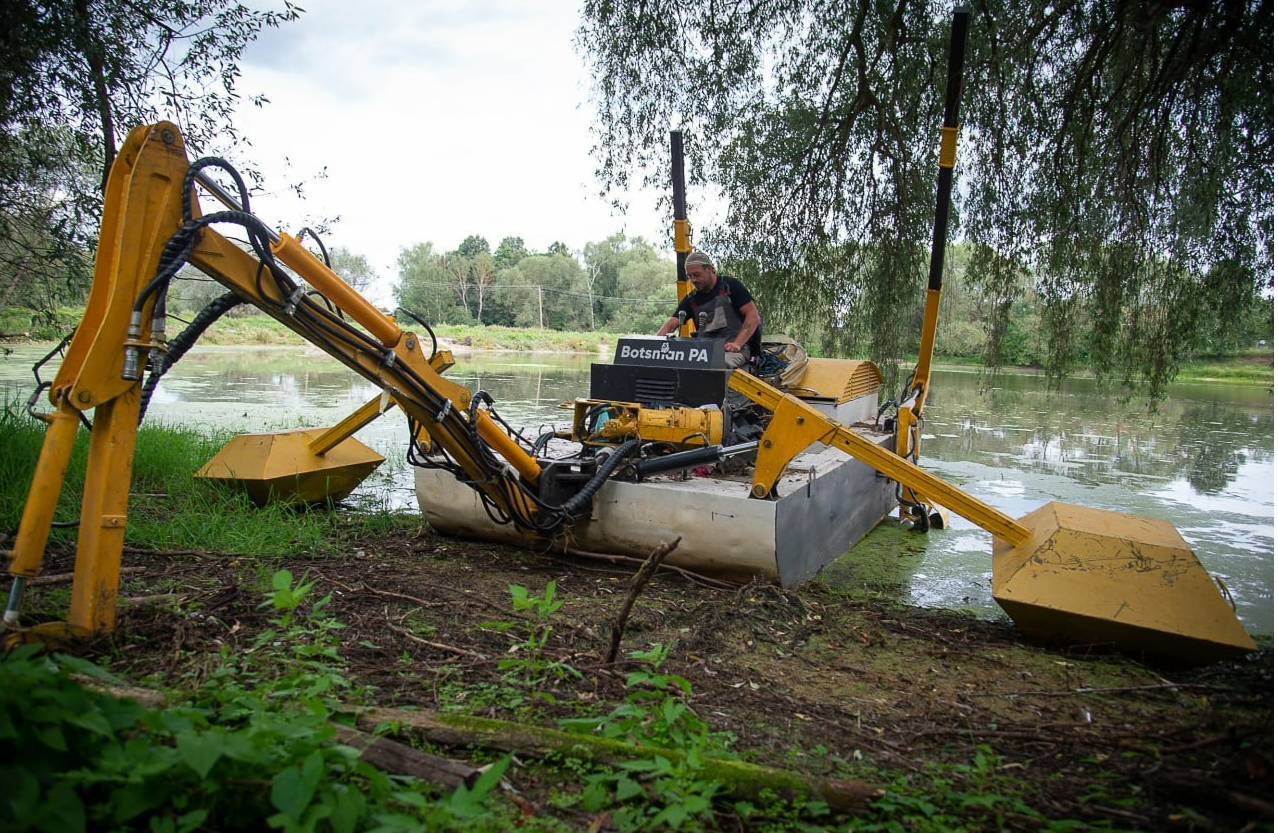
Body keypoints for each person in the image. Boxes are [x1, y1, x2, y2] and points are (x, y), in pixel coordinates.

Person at [656, 250, 762, 369]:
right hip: (703, 354)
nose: (693, 280)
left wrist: (737, 343)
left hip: (735, 351)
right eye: (690, 276)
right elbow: (671, 324)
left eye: (697, 274)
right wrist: (652, 347)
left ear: (709, 269)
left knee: (717, 365)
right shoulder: (691, 299)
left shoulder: (730, 286)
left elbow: (753, 317)